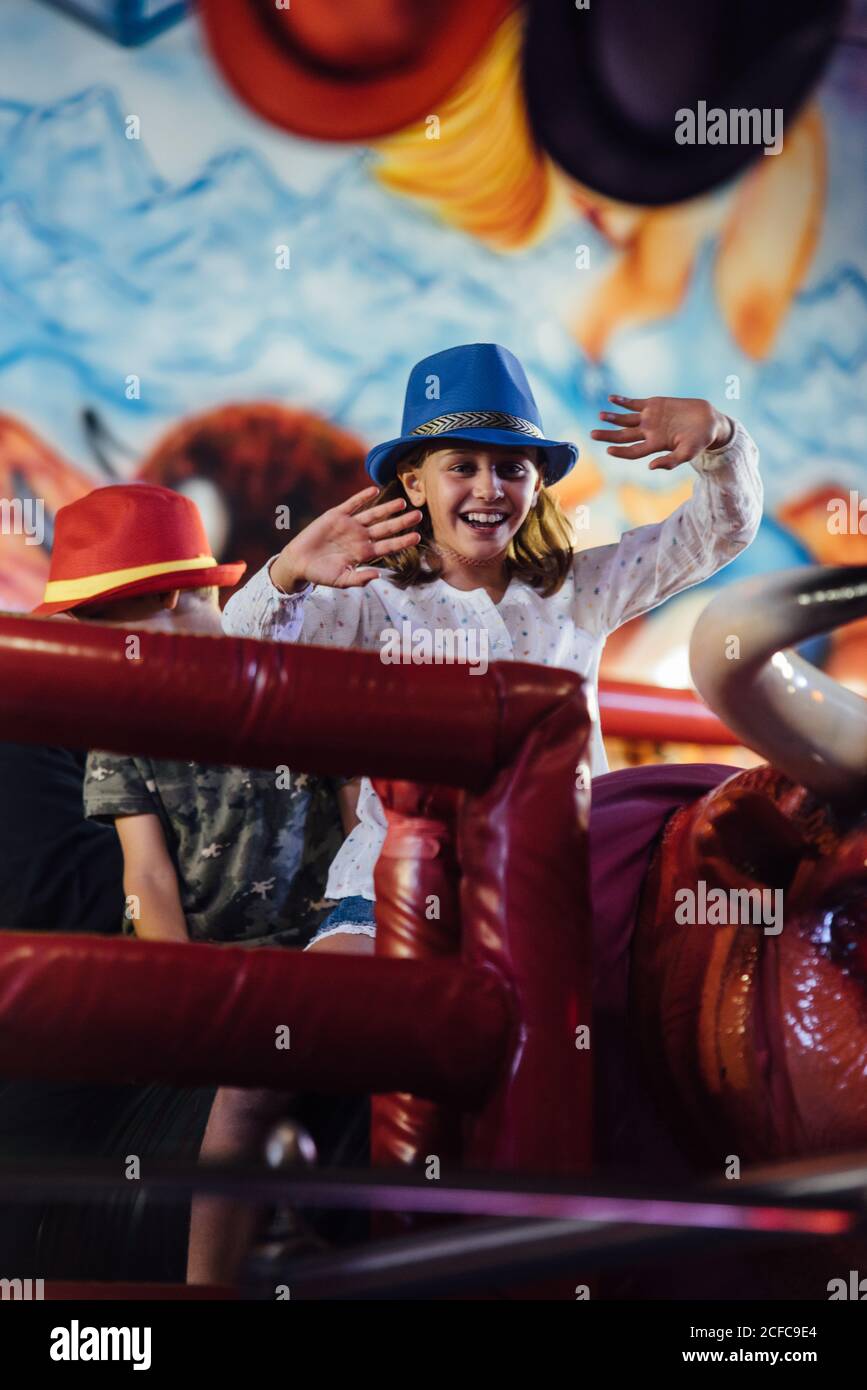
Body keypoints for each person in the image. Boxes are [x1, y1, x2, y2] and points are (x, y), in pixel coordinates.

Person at [222, 341, 764, 952]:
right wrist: (287, 572)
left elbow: (719, 532)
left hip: (553, 883)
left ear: (536, 486)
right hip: (395, 881)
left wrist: (721, 440)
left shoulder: (581, 589)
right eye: (462, 466)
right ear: (414, 484)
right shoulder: (371, 597)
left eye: (511, 468)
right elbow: (243, 660)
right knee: (338, 1009)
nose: (488, 488)